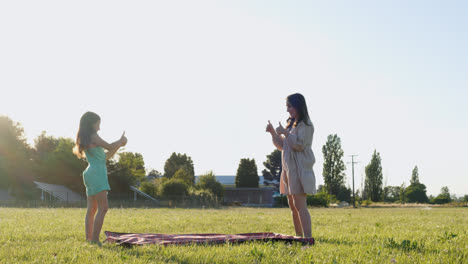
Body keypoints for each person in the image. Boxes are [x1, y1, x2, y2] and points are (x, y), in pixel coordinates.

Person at [266, 93, 316, 238]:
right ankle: (298, 237)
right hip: (288, 170)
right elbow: (282, 146)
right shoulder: (292, 125)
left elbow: (299, 145)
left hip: (299, 170)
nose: (288, 110)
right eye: (286, 107)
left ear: (298, 105)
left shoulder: (306, 125)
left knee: (300, 206)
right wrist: (273, 133)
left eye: (290, 106)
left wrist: (286, 134)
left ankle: (308, 239)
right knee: (293, 207)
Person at [73, 111, 127, 245]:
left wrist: (119, 145)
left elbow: (105, 156)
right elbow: (109, 146)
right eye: (98, 124)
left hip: (90, 172)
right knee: (103, 208)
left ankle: (89, 239)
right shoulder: (93, 136)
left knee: (92, 209)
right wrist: (121, 141)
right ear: (92, 124)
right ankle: (95, 240)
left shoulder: (86, 138)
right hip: (97, 173)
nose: (99, 127)